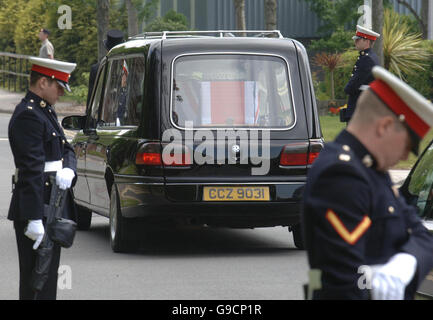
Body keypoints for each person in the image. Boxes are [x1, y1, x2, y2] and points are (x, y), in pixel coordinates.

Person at [302, 66, 433, 300]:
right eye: (407, 145)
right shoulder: (341, 175)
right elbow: (343, 282)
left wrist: (406, 264)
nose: (405, 157)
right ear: (384, 127)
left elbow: (423, 236)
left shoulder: (372, 170)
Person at [8, 57, 77, 300]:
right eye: (58, 87)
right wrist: (34, 218)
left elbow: (67, 148)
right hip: (37, 208)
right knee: (35, 280)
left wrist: (69, 169)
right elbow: (31, 172)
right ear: (43, 82)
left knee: (47, 277)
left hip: (51, 204)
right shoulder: (28, 115)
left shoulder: (45, 111)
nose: (60, 92)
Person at [340, 25, 380, 123]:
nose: (355, 42)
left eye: (358, 40)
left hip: (360, 104)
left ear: (366, 41)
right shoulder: (369, 57)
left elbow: (355, 82)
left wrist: (347, 89)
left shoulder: (367, 59)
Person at [86, 29, 124, 109]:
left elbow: (91, 100)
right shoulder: (130, 67)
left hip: (102, 114)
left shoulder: (97, 68)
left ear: (107, 48)